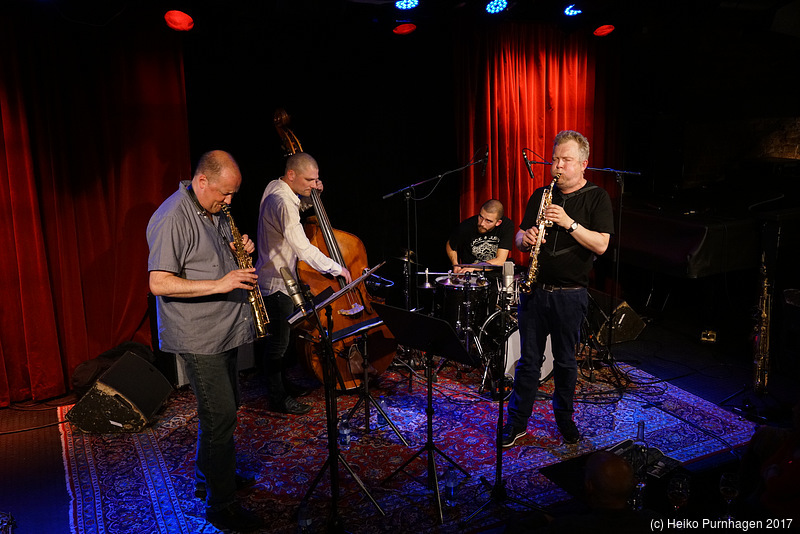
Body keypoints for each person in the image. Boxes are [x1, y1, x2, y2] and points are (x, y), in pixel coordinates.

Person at [147, 150, 263, 532]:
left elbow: (206, 260)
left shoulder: (212, 210)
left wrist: (236, 254)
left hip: (225, 329)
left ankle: (210, 478)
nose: (228, 202)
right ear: (201, 181)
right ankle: (220, 504)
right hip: (200, 338)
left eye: (232, 196)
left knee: (223, 414)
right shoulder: (171, 217)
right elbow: (159, 282)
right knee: (220, 417)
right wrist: (221, 282)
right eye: (224, 194)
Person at [503, 130, 614, 447]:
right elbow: (519, 237)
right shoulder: (541, 194)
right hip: (535, 291)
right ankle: (517, 422)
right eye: (555, 159)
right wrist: (526, 239)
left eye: (566, 160)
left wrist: (569, 223)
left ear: (583, 164)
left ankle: (565, 420)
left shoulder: (597, 197)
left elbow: (602, 245)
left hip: (570, 295)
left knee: (566, 362)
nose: (557, 166)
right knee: (528, 362)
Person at [255, 152, 352, 415]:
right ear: (291, 175)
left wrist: (311, 196)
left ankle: (283, 386)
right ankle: (277, 398)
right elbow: (304, 249)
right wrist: (337, 268)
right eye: (309, 179)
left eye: (316, 179)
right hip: (276, 282)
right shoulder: (283, 202)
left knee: (282, 343)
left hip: (275, 276)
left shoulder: (274, 187)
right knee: (278, 345)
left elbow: (294, 212)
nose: (313, 184)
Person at [446, 199, 514, 274]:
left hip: (496, 275)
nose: (482, 223)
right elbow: (450, 245)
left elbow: (500, 261)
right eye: (481, 217)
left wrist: (474, 266)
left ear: (498, 222)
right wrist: (456, 264)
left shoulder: (506, 226)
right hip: (471, 277)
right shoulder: (467, 225)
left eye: (488, 221)